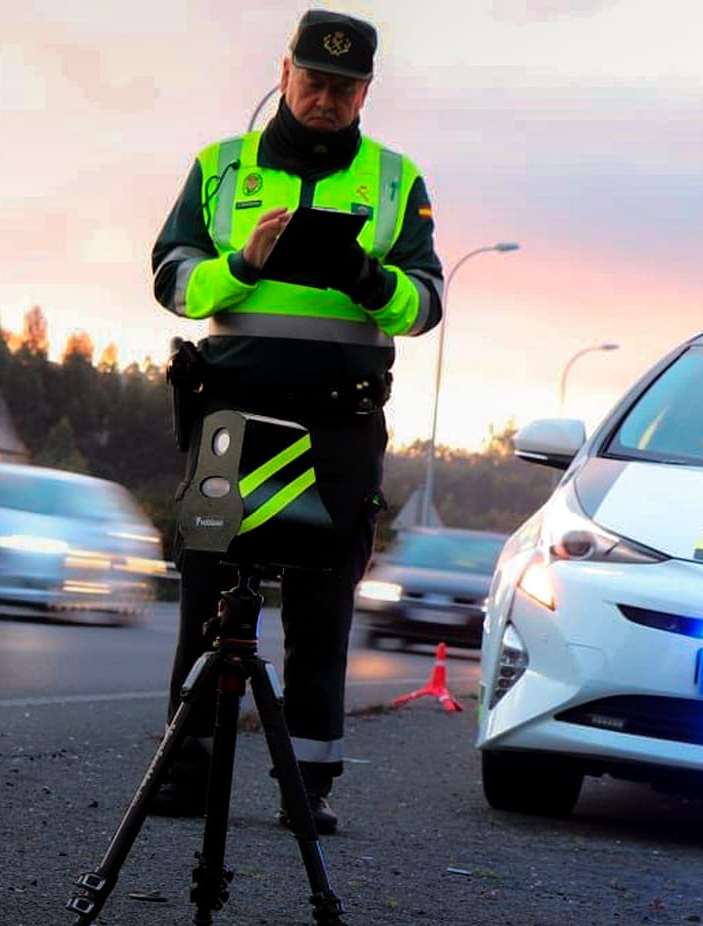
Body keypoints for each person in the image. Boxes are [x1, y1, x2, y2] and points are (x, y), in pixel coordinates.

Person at [148, 9, 444, 834]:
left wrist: (367, 278)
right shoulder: (219, 166)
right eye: (313, 79)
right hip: (233, 412)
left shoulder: (395, 179)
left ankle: (306, 785)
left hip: (340, 424)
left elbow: (426, 304)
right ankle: (185, 768)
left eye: (343, 87)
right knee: (209, 597)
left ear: (366, 92)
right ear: (284, 73)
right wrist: (241, 266)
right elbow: (172, 279)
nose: (325, 97)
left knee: (322, 610)